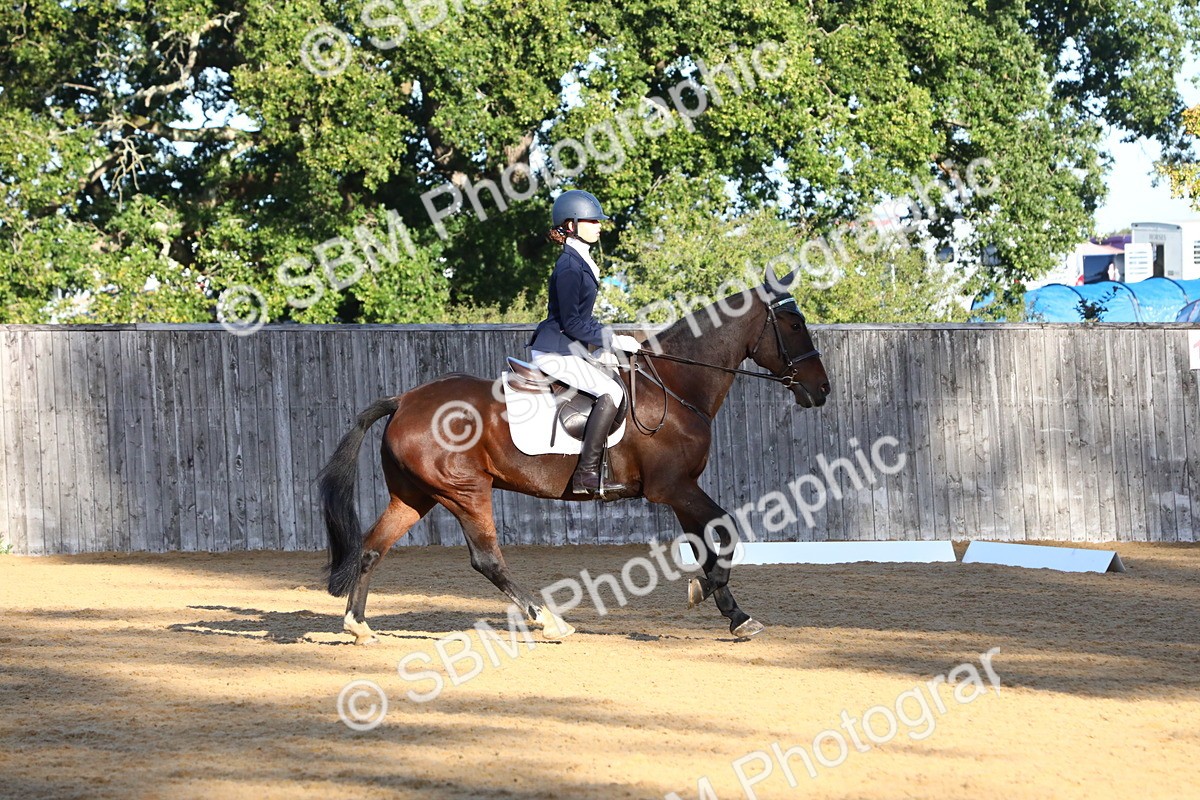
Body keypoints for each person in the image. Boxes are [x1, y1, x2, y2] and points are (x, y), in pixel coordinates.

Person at [528, 190, 641, 497]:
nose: (599, 225)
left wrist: (602, 347)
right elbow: (572, 322)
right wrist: (612, 340)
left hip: (569, 348)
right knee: (611, 391)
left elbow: (582, 318)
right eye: (593, 221)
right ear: (572, 225)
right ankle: (586, 474)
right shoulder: (569, 267)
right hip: (554, 351)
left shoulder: (581, 261)